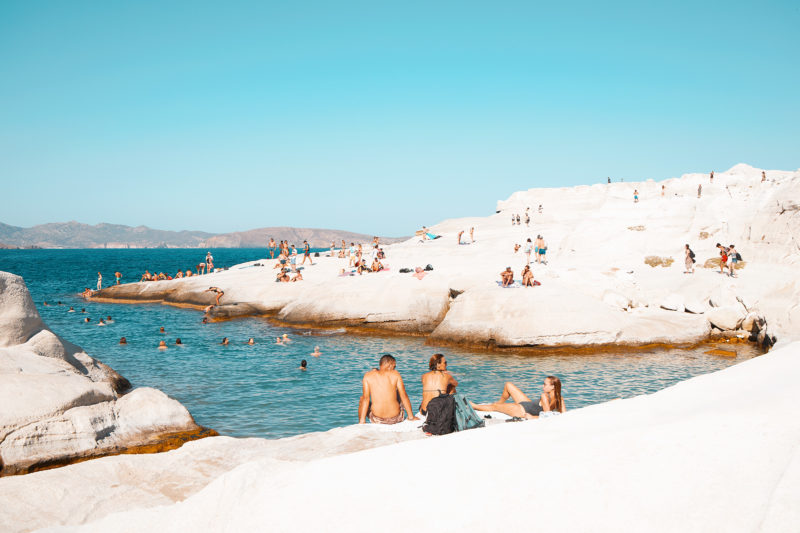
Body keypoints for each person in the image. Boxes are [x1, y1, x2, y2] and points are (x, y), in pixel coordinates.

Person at [358, 354, 417, 424]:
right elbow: (404, 396)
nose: (394, 369)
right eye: (394, 366)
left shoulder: (368, 376)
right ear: (390, 365)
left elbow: (366, 399)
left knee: (362, 399)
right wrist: (411, 417)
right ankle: (410, 417)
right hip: (396, 419)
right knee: (400, 392)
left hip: (377, 419)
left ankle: (362, 422)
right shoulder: (395, 374)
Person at [472, 376, 566, 419]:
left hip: (521, 410)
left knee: (494, 407)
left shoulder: (545, 396)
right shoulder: (560, 398)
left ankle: (475, 406)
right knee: (508, 385)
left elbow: (547, 416)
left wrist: (532, 417)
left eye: (545, 384)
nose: (543, 386)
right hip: (528, 404)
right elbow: (565, 416)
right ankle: (500, 403)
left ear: (553, 386)